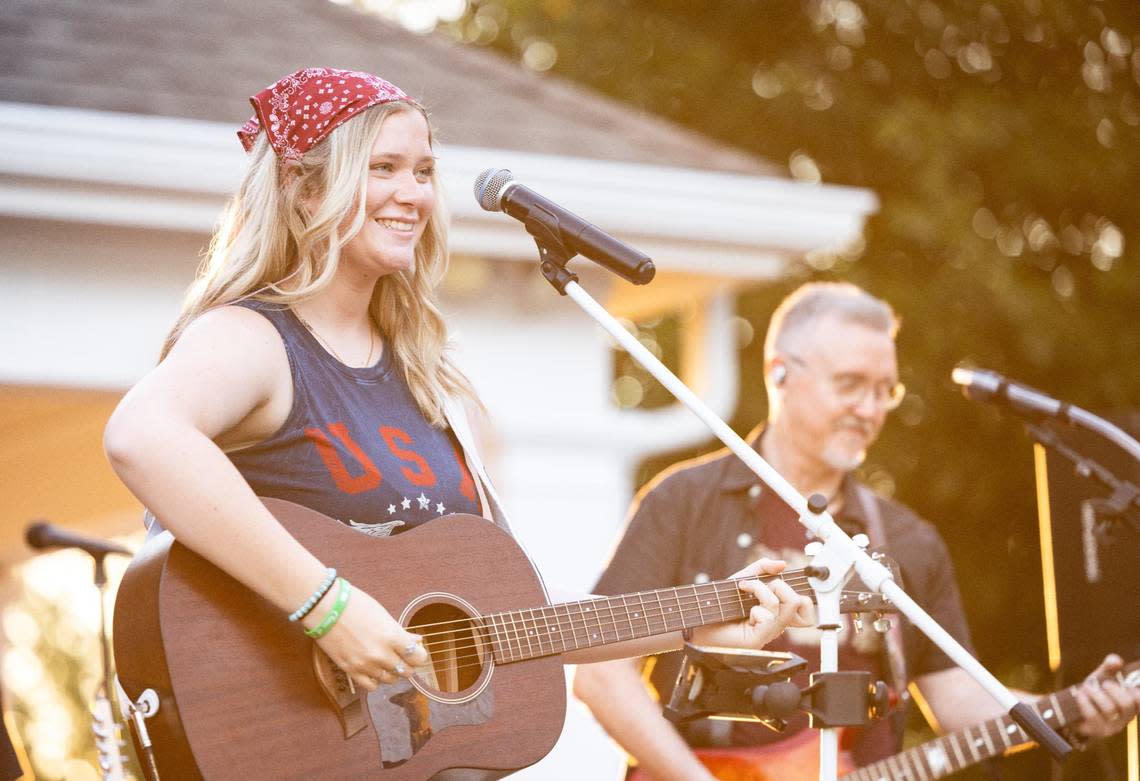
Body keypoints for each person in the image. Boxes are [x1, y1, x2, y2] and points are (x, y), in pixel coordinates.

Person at [102, 67, 813, 703]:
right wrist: (328, 608)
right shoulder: (255, 337)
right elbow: (142, 436)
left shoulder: (424, 379)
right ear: (302, 187)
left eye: (423, 172)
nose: (412, 194)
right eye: (383, 168)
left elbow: (512, 615)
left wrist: (700, 614)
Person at [574, 282, 1140, 779]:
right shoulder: (686, 501)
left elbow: (958, 698)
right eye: (850, 384)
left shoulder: (905, 540)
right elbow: (600, 672)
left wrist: (1069, 710)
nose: (870, 409)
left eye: (884, 390)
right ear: (780, 373)